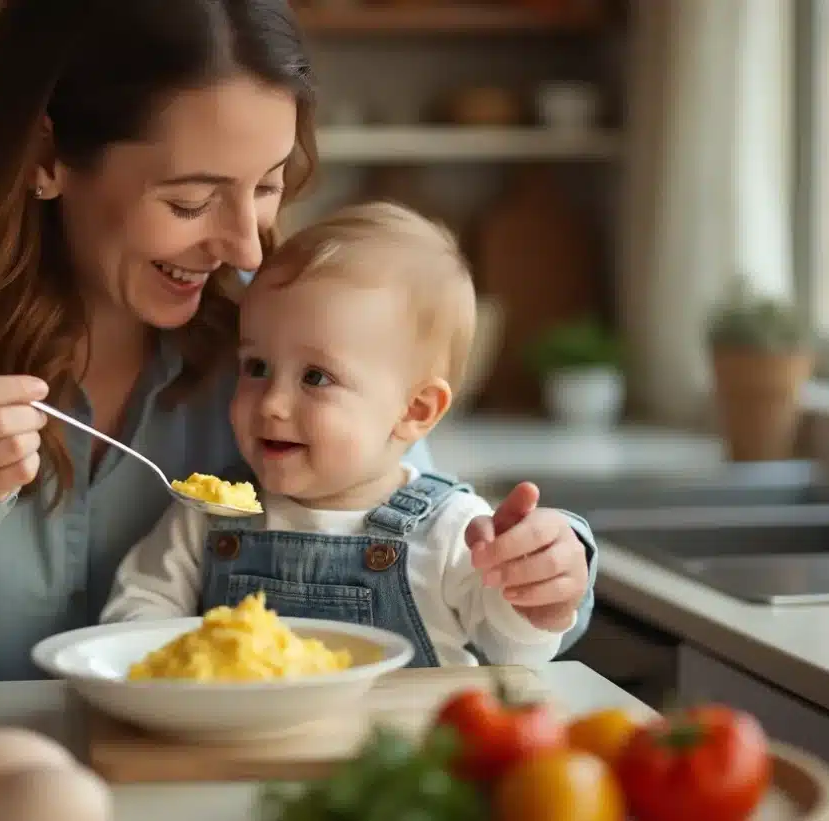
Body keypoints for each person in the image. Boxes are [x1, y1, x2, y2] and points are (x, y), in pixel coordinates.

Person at [0, 0, 599, 686]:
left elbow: (439, 543)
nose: (249, 249)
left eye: (269, 185)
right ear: (47, 156)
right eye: (189, 202)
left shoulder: (281, 326)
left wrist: (547, 574)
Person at [101, 203, 588, 667]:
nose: (271, 402)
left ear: (414, 411)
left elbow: (515, 651)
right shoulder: (209, 519)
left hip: (397, 750)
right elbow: (140, 609)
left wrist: (537, 602)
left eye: (316, 377)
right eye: (256, 367)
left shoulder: (453, 529)